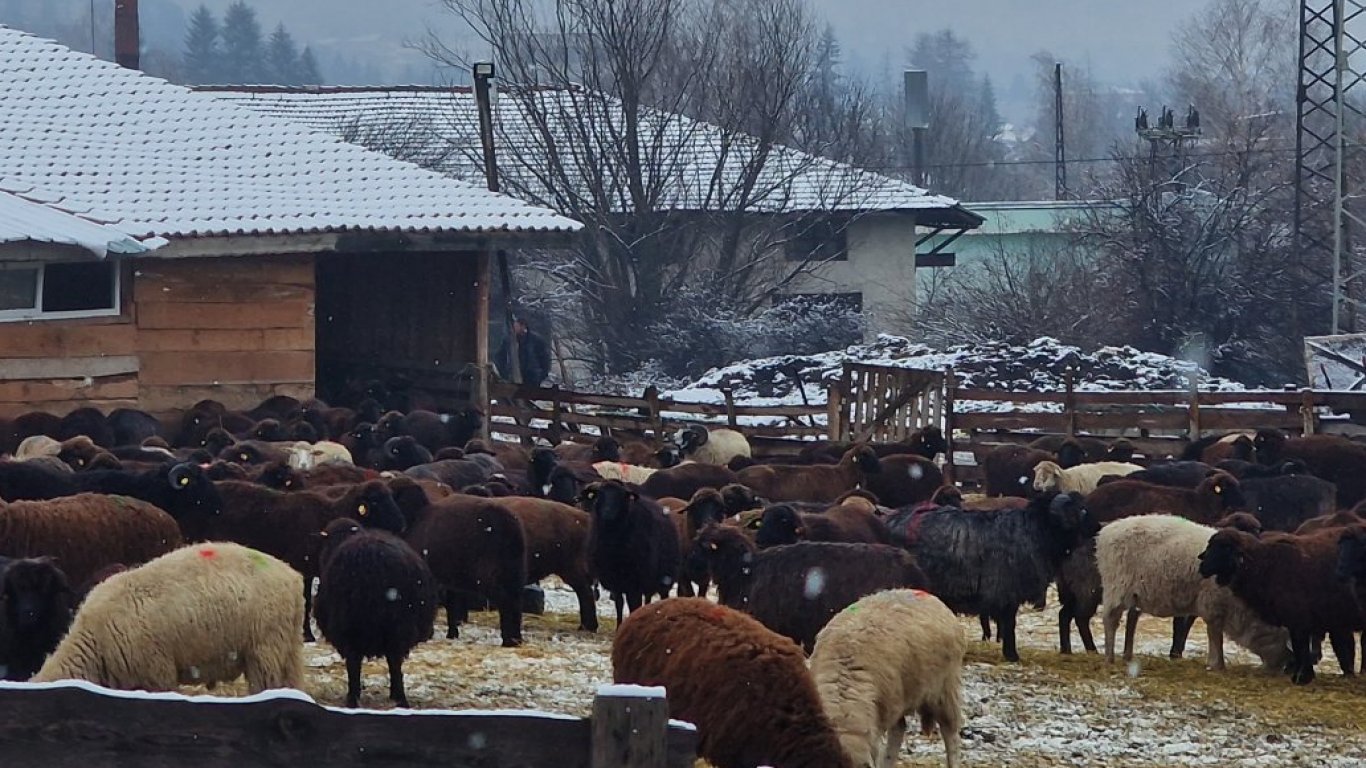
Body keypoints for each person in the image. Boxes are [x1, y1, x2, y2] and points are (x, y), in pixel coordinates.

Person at [497, 317, 552, 386]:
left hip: (532, 379)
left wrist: (541, 375)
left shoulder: (536, 340)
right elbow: (500, 356)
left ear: (523, 326)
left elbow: (544, 359)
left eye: (516, 326)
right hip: (513, 378)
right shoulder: (508, 340)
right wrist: (504, 373)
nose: (514, 328)